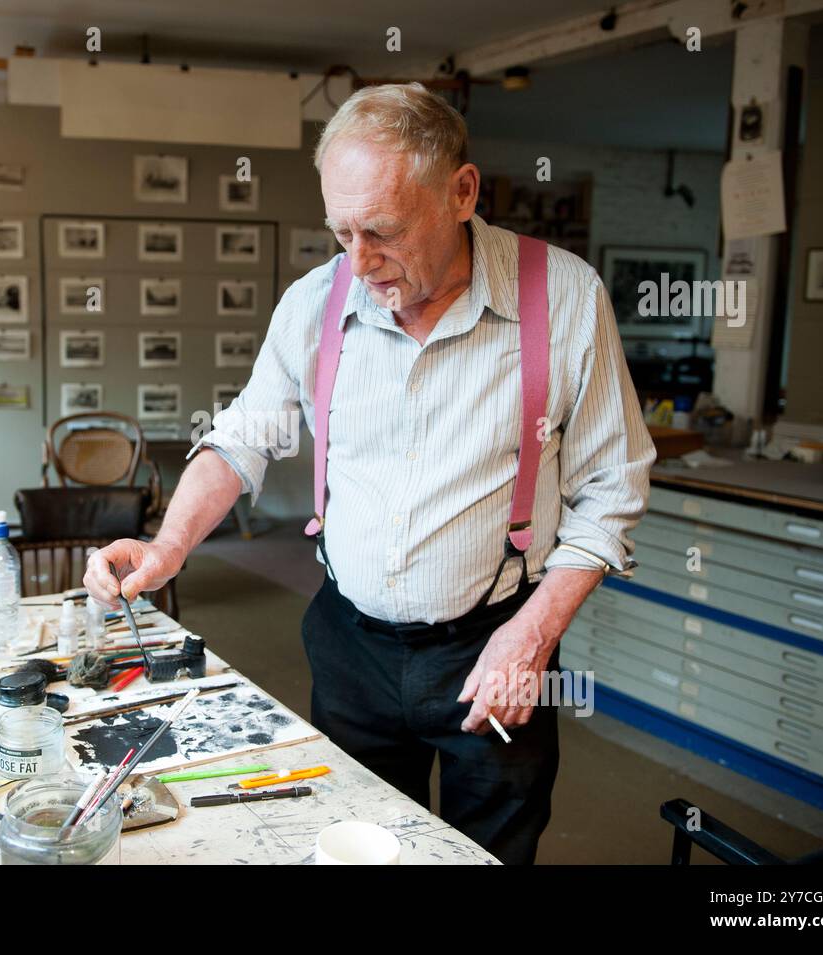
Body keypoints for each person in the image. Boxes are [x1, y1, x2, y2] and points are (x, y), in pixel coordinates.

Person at [84, 83, 654, 864]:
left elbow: (613, 488)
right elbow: (242, 440)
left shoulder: (564, 298)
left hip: (495, 645)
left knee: (489, 851)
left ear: (462, 192)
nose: (359, 260)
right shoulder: (316, 302)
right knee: (354, 841)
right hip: (349, 646)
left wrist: (535, 633)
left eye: (382, 231)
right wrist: (167, 545)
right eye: (341, 230)